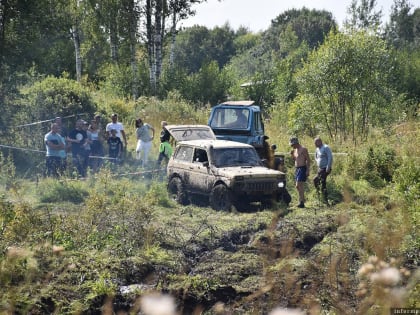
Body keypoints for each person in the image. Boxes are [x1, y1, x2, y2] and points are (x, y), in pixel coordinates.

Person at [290, 136, 310, 208]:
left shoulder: (303, 149)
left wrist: (307, 170)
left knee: (299, 185)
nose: (292, 146)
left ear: (296, 143)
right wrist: (292, 155)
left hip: (302, 168)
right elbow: (295, 160)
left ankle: (301, 202)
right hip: (297, 169)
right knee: (297, 186)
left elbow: (308, 159)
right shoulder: (295, 150)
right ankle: (302, 200)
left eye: (292, 145)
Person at [313, 136, 333, 204]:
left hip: (325, 168)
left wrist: (328, 167)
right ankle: (320, 196)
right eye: (314, 143)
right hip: (320, 168)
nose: (315, 144)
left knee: (320, 181)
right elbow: (316, 156)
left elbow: (330, 157)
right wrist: (318, 162)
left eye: (316, 142)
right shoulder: (317, 149)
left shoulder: (326, 147)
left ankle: (325, 199)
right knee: (317, 181)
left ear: (320, 142)